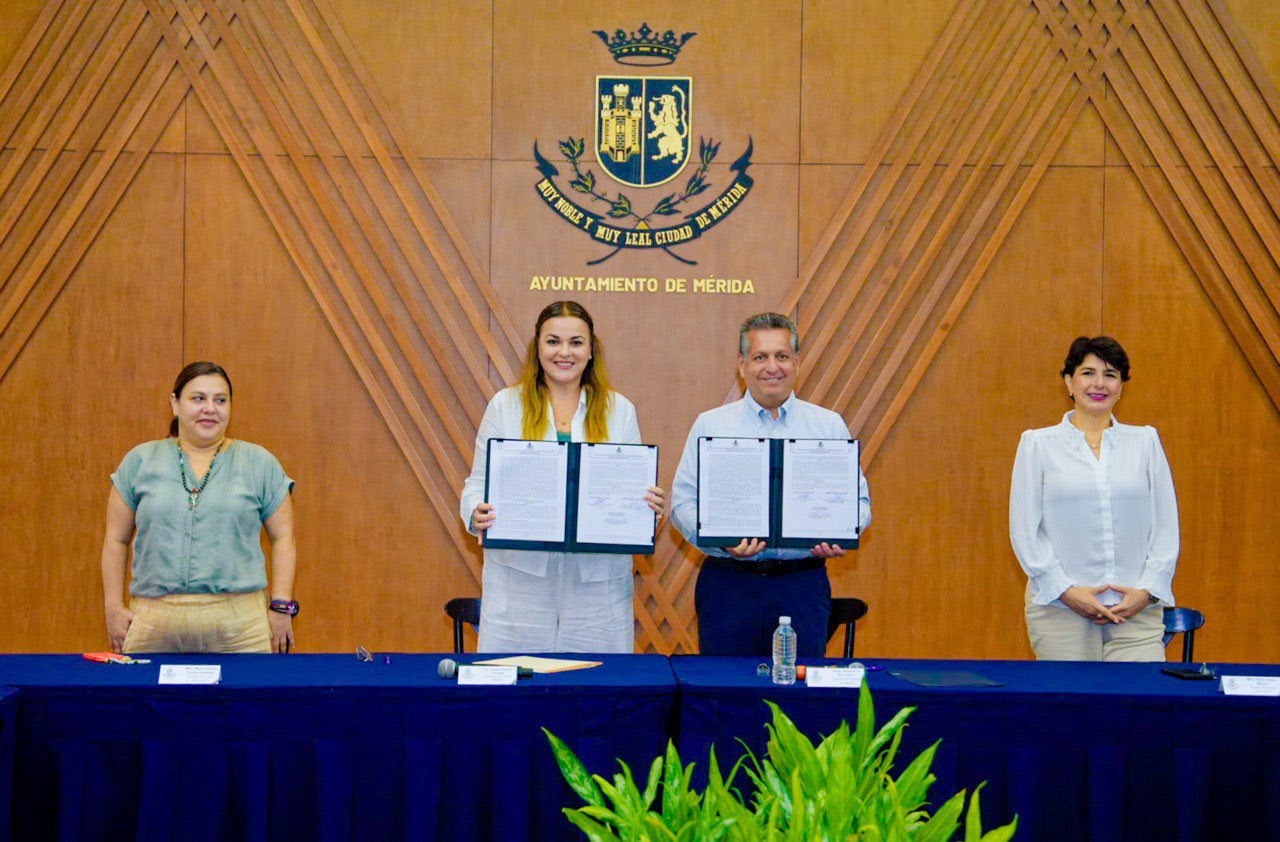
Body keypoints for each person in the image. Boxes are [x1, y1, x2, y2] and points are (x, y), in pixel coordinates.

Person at [460, 301, 664, 653]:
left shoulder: (620, 410)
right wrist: (475, 510)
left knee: (596, 693)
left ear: (591, 351)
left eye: (576, 342)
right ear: (537, 348)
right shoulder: (505, 405)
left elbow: (633, 488)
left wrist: (647, 508)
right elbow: (477, 482)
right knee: (516, 695)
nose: (564, 352)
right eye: (553, 341)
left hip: (598, 588)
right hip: (519, 583)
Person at [670, 312, 872, 657]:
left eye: (781, 356)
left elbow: (859, 504)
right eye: (760, 357)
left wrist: (840, 531)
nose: (771, 367)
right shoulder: (712, 425)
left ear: (797, 361)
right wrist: (722, 544)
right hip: (729, 586)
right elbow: (682, 504)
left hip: (802, 586)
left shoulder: (827, 426)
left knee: (798, 699)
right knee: (724, 696)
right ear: (742, 363)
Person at [101, 362, 298, 655]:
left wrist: (281, 607)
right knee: (144, 702)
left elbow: (285, 539)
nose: (210, 408)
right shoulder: (139, 461)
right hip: (153, 622)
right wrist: (113, 609)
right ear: (175, 404)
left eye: (220, 400)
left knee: (246, 703)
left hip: (241, 625)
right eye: (198, 398)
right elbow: (115, 541)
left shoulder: (260, 463)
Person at [1010, 336, 1179, 661]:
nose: (1098, 383)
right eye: (1088, 373)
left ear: (1121, 386)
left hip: (1136, 610)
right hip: (1060, 609)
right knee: (1071, 710)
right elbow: (1025, 530)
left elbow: (1165, 526)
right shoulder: (1037, 444)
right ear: (1069, 382)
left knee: (1139, 708)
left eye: (1110, 374)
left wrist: (1146, 591)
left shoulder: (1145, 441)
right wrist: (1067, 592)